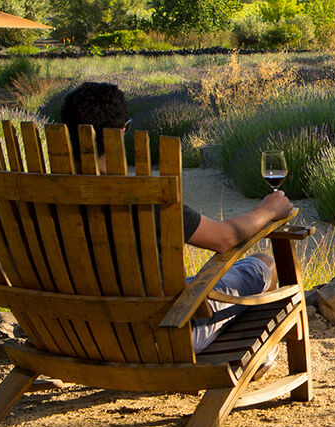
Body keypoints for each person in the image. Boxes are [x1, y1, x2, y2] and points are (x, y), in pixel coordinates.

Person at [56, 81, 294, 353]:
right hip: (159, 337)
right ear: (121, 131)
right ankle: (263, 357)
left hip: (75, 335)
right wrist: (269, 210)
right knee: (263, 265)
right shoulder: (143, 200)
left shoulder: (34, 196)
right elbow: (225, 238)